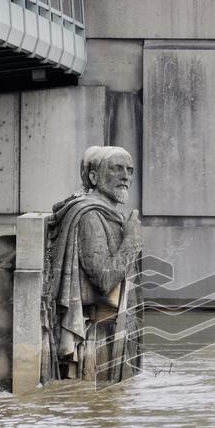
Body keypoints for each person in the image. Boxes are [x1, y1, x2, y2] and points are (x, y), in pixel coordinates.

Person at [43, 145, 143, 383]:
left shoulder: (111, 215)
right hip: (98, 340)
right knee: (98, 412)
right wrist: (131, 240)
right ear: (93, 177)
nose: (125, 176)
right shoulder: (90, 216)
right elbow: (104, 279)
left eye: (129, 170)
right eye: (116, 169)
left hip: (114, 330)